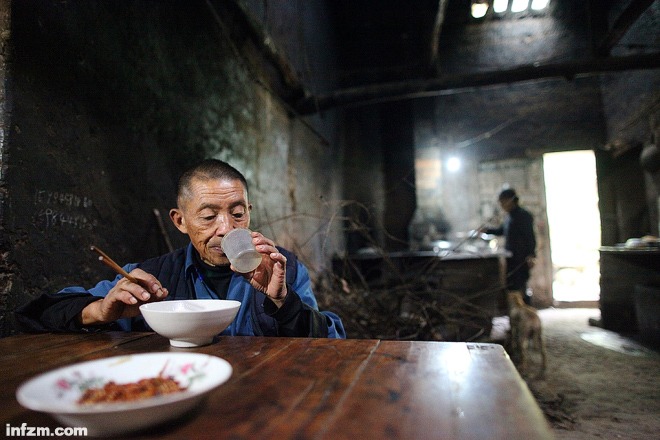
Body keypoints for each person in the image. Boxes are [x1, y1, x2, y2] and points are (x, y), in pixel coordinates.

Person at [16, 159, 345, 338]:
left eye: (237, 213)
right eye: (208, 216)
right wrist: (102, 311)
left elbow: (331, 340)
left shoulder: (280, 267)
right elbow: (42, 313)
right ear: (179, 221)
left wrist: (283, 302)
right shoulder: (155, 275)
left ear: (249, 212)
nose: (226, 228)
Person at [481, 188, 536, 305]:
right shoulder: (508, 217)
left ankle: (527, 316)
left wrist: (531, 255)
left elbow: (530, 237)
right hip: (511, 258)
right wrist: (487, 230)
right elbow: (502, 231)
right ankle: (517, 317)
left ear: (510, 200)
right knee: (512, 288)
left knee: (521, 288)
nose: (501, 205)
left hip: (521, 259)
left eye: (502, 202)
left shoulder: (523, 216)